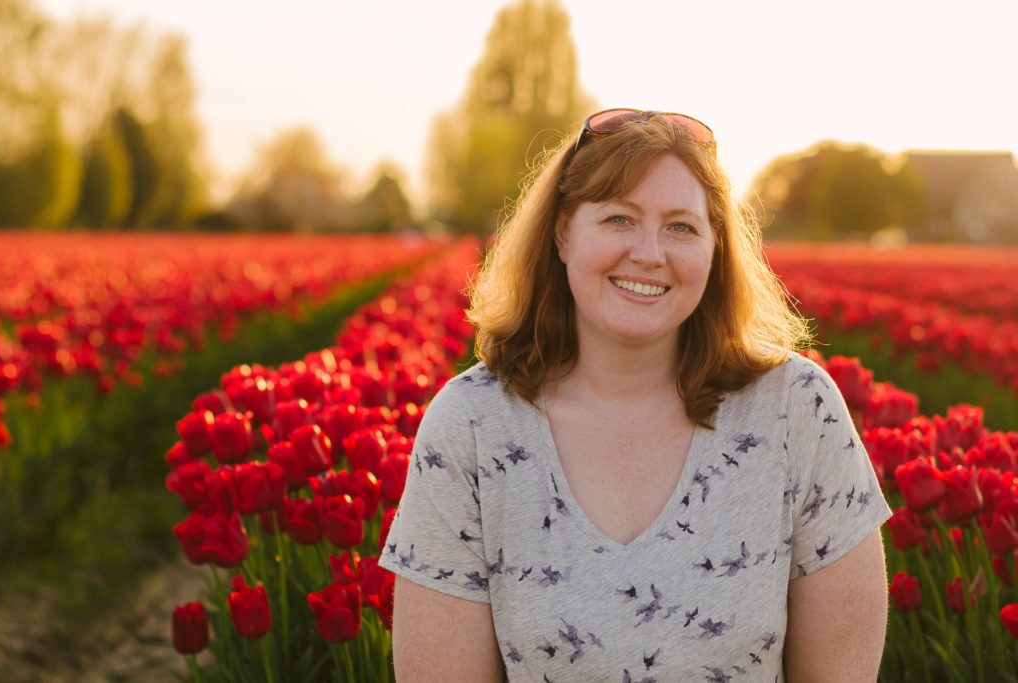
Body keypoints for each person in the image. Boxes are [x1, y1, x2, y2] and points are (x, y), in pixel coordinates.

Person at [379, 109, 891, 682]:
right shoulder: (472, 426)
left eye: (681, 227)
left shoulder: (796, 410)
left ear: (715, 248)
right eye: (620, 219)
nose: (650, 253)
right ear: (563, 233)